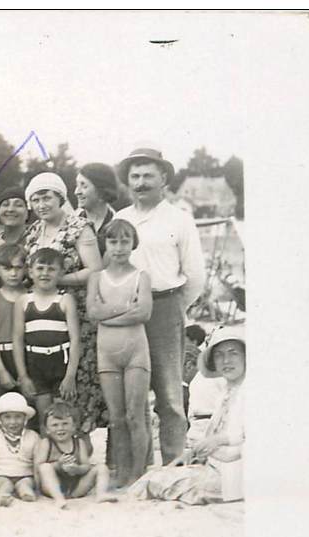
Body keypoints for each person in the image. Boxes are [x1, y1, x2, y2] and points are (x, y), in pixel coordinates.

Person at [115, 145, 206, 464]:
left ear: (163, 177)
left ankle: (174, 463)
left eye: (148, 175)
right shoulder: (121, 218)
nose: (140, 182)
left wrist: (176, 308)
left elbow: (195, 275)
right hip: (126, 312)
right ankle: (136, 468)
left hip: (166, 308)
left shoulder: (179, 219)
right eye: (134, 176)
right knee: (132, 394)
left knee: (169, 395)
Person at [23, 171, 105, 431]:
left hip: (77, 312)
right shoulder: (34, 230)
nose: (41, 205)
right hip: (43, 317)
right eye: (35, 200)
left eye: (46, 197)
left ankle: (77, 447)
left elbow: (95, 269)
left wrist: (58, 280)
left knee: (76, 384)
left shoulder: (78, 226)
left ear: (60, 197)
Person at [130, 327, 244, 504]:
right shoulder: (226, 392)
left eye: (233, 353)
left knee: (155, 484)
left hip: (237, 474)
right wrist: (190, 454)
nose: (226, 360)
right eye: (219, 355)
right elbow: (211, 433)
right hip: (216, 466)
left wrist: (219, 441)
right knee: (154, 477)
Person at [86, 219, 153, 487]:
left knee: (136, 414)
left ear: (133, 244)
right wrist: (126, 311)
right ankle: (123, 473)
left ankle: (139, 474)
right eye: (113, 241)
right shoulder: (96, 277)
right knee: (117, 417)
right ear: (106, 244)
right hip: (108, 355)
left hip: (136, 353)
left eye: (125, 241)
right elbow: (93, 313)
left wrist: (107, 315)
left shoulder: (141, 276)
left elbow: (144, 313)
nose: (119, 247)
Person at [13, 248, 81, 425]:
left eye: (51, 269)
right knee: (45, 419)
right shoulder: (23, 301)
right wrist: (23, 375)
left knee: (64, 416)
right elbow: (18, 340)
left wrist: (70, 376)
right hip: (35, 363)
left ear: (61, 272)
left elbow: (75, 340)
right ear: (30, 272)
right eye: (40, 268)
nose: (45, 274)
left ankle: (66, 453)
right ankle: (46, 451)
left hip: (61, 363)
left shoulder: (65, 300)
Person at [35, 400, 117, 507]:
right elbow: (38, 467)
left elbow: (86, 466)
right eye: (55, 425)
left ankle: (101, 493)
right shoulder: (46, 443)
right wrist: (57, 465)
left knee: (101, 467)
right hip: (52, 488)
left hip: (76, 487)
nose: (60, 428)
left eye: (65, 424)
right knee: (45, 467)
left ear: (74, 426)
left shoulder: (79, 443)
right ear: (47, 430)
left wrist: (77, 469)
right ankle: (59, 498)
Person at [0, 392, 41, 506]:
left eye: (18, 417)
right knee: (4, 485)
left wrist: (38, 484)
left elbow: (37, 463)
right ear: (0, 419)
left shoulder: (33, 436)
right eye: (7, 417)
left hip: (25, 475)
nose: (13, 422)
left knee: (25, 484)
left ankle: (26, 493)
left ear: (25, 418)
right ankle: (3, 497)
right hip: (1, 475)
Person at [0, 244, 29, 399]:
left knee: (28, 403)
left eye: (18, 268)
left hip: (26, 355)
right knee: (1, 405)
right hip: (1, 356)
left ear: (25, 269)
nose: (13, 273)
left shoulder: (30, 296)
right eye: (7, 268)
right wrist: (1, 370)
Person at [74, 163, 120, 254]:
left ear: (101, 191)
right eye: (77, 185)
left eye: (84, 186)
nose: (76, 192)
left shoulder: (116, 223)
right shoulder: (71, 220)